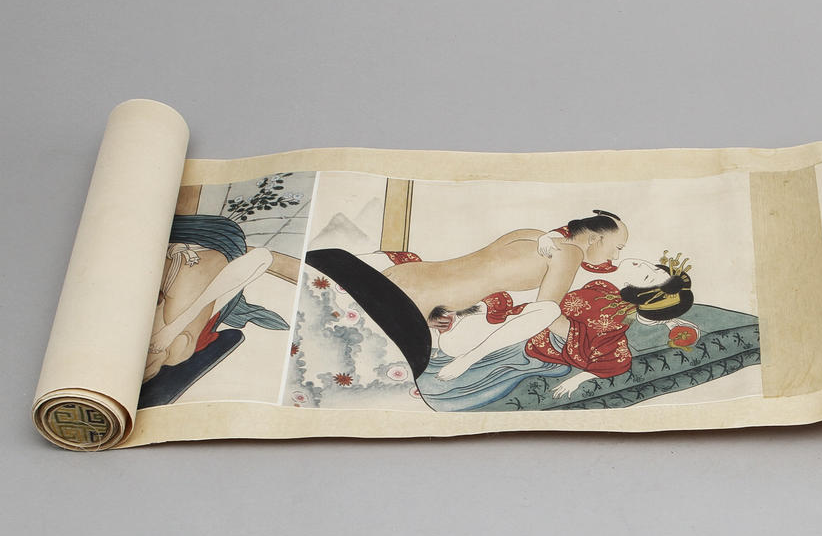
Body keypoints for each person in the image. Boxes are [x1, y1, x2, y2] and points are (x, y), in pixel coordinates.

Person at [304, 209, 628, 379]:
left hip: (401, 274)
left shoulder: (533, 236)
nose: (614, 258)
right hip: (411, 308)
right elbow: (545, 310)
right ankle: (468, 360)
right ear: (595, 238)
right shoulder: (569, 254)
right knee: (547, 312)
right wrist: (591, 337)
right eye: (617, 247)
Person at [415, 254, 696, 411]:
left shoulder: (613, 317)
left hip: (530, 341)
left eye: (647, 276)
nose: (643, 265)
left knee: (547, 310)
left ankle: (468, 355)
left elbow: (613, 361)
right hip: (508, 319)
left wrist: (577, 380)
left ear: (641, 295)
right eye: (651, 266)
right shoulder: (602, 281)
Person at [144, 215, 286, 384]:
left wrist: (170, 331)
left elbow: (262, 257)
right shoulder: (177, 350)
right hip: (209, 256)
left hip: (207, 250)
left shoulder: (174, 338)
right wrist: (171, 331)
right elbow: (261, 258)